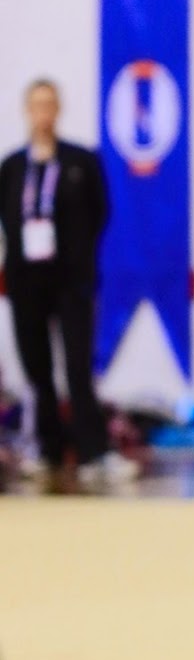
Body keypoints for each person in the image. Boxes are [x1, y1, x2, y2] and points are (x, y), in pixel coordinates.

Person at [0, 79, 138, 489]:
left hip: (71, 280)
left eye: (49, 104)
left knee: (77, 366)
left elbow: (100, 212)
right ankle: (48, 449)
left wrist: (78, 257)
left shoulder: (81, 161)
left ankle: (93, 452)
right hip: (27, 280)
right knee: (36, 368)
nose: (43, 112)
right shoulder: (13, 167)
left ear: (58, 109)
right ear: (27, 110)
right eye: (36, 104)